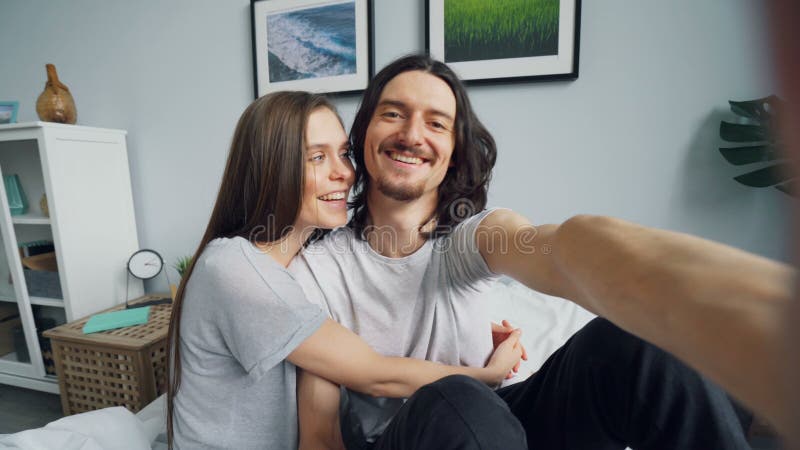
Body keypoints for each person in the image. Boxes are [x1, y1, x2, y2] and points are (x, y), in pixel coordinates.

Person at [289, 54, 795, 449]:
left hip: (502, 427)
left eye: (437, 124)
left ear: (454, 154)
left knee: (636, 343)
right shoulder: (317, 270)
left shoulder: (472, 238)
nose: (412, 134)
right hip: (402, 439)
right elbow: (319, 438)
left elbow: (554, 250)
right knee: (460, 398)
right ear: (365, 135)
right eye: (393, 113)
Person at [165, 91, 527, 449]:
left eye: (343, 154)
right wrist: (487, 377)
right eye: (317, 157)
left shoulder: (293, 271)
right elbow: (373, 373)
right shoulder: (232, 267)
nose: (345, 173)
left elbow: (345, 341)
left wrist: (468, 325)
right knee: (464, 408)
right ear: (271, 169)